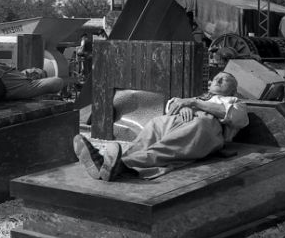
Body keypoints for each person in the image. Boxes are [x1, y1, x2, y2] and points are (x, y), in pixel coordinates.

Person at [73, 71, 249, 181]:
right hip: (179, 121)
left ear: (233, 90)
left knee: (174, 141)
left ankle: (121, 164)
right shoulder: (200, 97)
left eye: (225, 80)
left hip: (208, 128)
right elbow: (172, 104)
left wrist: (194, 103)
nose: (218, 80)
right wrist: (184, 107)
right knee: (155, 124)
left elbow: (237, 118)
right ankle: (110, 164)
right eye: (217, 78)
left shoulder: (235, 101)